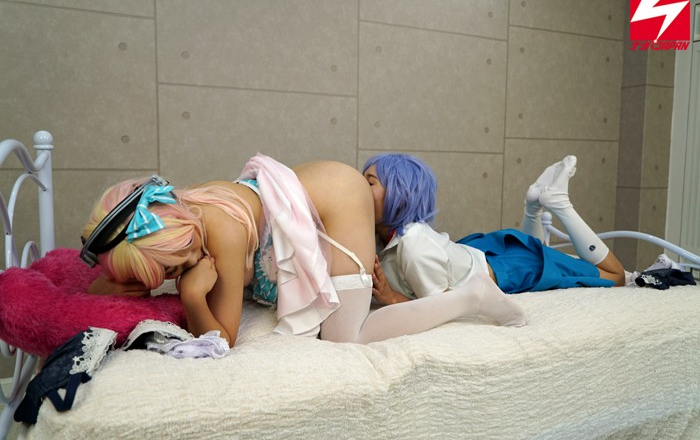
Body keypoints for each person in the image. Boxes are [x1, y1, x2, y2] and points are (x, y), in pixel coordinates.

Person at [81, 154, 526, 348]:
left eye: (182, 260)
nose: (188, 268)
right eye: (172, 271)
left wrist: (194, 296)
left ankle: (472, 295)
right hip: (322, 185)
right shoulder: (177, 207)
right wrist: (117, 282)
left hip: (339, 197)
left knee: (347, 338)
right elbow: (129, 260)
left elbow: (221, 340)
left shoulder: (223, 232)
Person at [363, 153, 626, 306]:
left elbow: (442, 309)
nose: (359, 188)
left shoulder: (414, 246)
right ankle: (533, 206)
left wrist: (392, 298)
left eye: (370, 182)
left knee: (616, 277)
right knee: (541, 253)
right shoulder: (378, 236)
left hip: (508, 268)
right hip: (478, 253)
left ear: (400, 194)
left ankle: (559, 203)